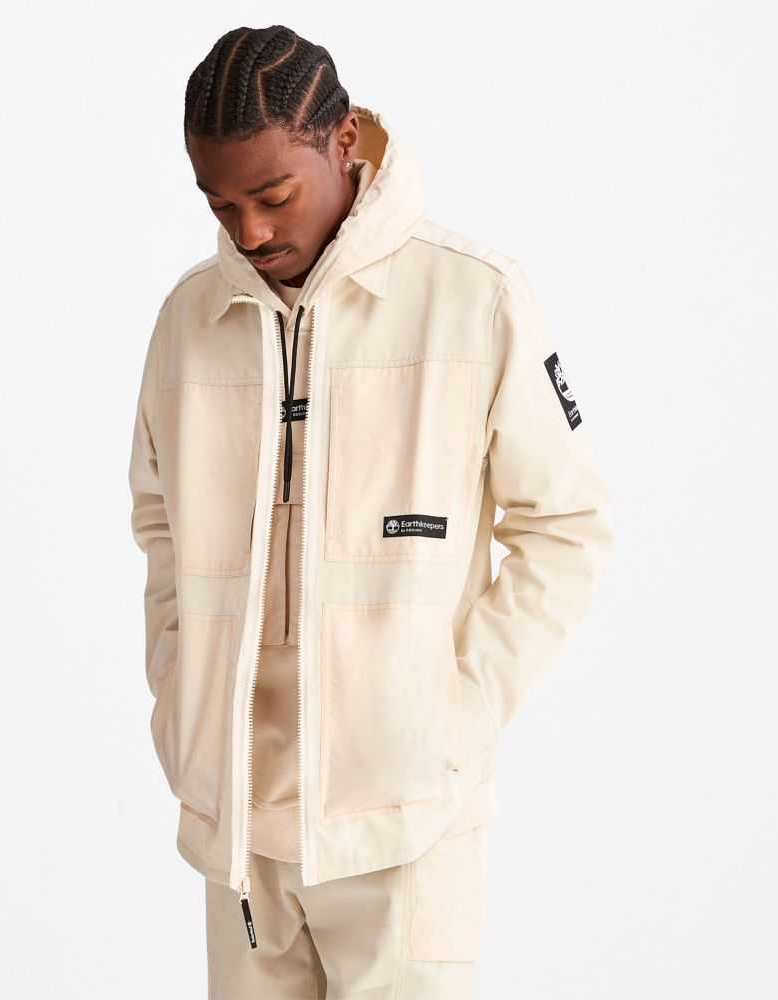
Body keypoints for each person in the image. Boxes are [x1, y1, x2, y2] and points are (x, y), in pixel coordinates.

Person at [128, 22, 615, 998]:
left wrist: (453, 711)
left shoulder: (472, 298)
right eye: (221, 205)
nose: (250, 233)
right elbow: (159, 523)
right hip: (239, 824)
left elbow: (564, 528)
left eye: (273, 196)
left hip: (404, 824)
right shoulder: (190, 319)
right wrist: (182, 693)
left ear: (343, 139)